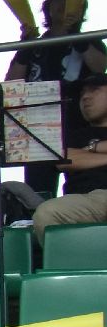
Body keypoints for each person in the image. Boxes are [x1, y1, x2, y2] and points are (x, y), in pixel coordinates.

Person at [8, 0, 107, 197]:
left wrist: (73, 35)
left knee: (83, 185)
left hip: (78, 124)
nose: (64, 6)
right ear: (48, 8)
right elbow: (11, 83)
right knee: (38, 191)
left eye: (71, 0)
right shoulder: (36, 44)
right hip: (38, 125)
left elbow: (100, 66)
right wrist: (26, 46)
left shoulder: (89, 40)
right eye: (58, 0)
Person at [32, 73, 107, 241]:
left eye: (94, 90)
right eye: (82, 94)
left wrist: (88, 151)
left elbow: (76, 157)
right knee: (46, 214)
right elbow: (64, 161)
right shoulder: (74, 135)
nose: (86, 97)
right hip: (83, 200)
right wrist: (97, 148)